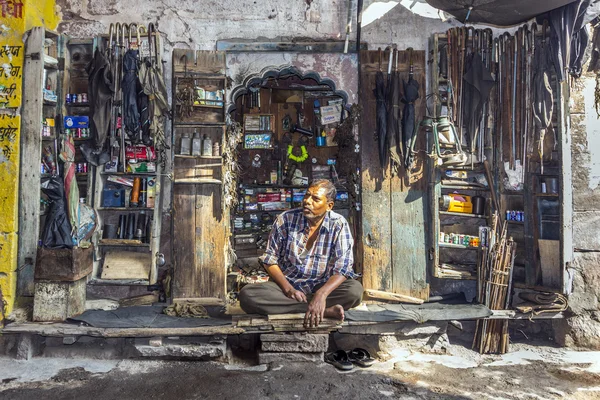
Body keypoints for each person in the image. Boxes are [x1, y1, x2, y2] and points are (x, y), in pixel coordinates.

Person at [238, 179, 363, 328]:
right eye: (306, 195)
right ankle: (323, 311)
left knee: (354, 291)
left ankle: (312, 304)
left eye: (315, 199)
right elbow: (269, 260)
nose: (307, 201)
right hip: (287, 288)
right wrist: (288, 289)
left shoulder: (338, 224)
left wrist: (321, 294)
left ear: (329, 206)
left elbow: (343, 267)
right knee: (248, 295)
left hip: (321, 285)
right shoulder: (286, 219)